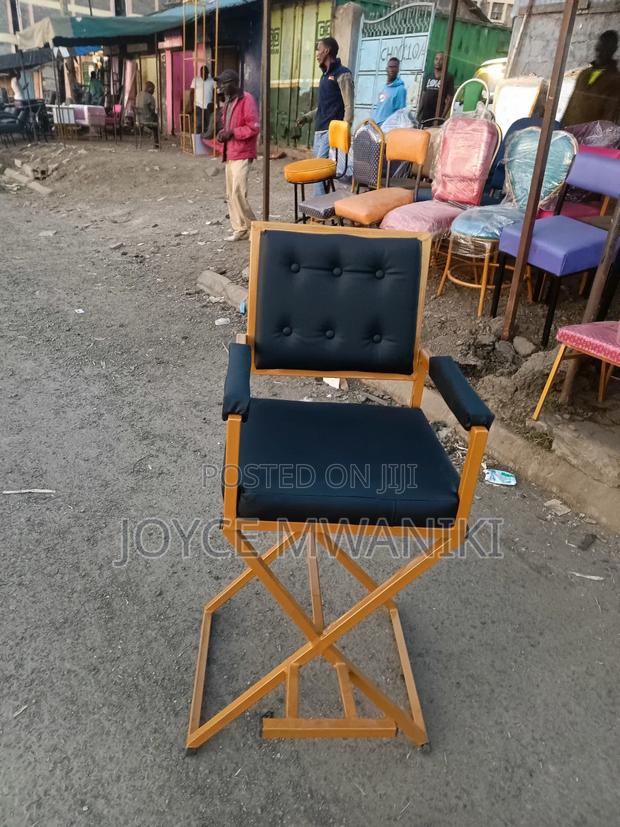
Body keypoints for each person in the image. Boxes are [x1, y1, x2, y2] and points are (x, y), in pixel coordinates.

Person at [296, 37, 354, 194]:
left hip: (331, 131)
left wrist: (345, 129)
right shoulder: (324, 77)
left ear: (326, 51)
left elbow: (349, 105)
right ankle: (323, 206)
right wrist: (307, 117)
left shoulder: (343, 74)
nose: (316, 53)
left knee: (318, 170)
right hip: (319, 131)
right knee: (322, 172)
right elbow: (322, 107)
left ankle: (318, 209)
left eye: (318, 49)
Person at [216, 69, 259, 242]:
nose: (220, 87)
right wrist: (223, 133)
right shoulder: (229, 102)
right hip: (231, 152)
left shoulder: (246, 99)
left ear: (234, 83)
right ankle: (239, 228)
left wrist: (232, 132)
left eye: (223, 83)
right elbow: (229, 127)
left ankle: (255, 228)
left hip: (242, 153)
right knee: (230, 194)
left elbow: (254, 127)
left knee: (238, 193)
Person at [562, 30, 620, 127]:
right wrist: (562, 125)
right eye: (599, 46)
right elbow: (571, 103)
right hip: (568, 133)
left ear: (613, 50)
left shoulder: (615, 81)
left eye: (606, 47)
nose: (600, 50)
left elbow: (609, 116)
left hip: (590, 138)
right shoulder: (584, 74)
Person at [418, 52, 454, 124]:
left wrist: (441, 117)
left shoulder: (448, 77)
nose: (438, 62)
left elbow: (449, 99)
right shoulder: (428, 76)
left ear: (445, 62)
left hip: (437, 116)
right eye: (436, 59)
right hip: (425, 115)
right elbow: (423, 96)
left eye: (441, 60)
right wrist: (419, 113)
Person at [372, 57, 407, 126]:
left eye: (394, 67)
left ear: (398, 70)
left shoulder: (400, 89)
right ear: (386, 69)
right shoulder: (384, 87)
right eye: (390, 67)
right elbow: (380, 108)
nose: (392, 69)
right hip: (376, 126)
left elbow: (400, 113)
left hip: (387, 129)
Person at [189, 65, 215, 135]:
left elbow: (215, 94)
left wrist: (216, 105)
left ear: (207, 73)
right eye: (202, 73)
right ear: (200, 73)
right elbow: (191, 93)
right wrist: (191, 105)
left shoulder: (212, 81)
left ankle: (206, 141)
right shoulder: (195, 80)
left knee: (208, 125)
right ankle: (198, 142)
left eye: (205, 73)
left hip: (208, 106)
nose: (203, 75)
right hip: (198, 106)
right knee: (199, 125)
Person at [135, 81, 159, 148]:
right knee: (156, 119)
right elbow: (152, 110)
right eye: (153, 89)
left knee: (153, 117)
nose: (154, 91)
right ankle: (156, 142)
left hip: (138, 120)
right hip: (147, 120)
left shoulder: (138, 95)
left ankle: (142, 135)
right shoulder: (150, 97)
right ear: (150, 89)